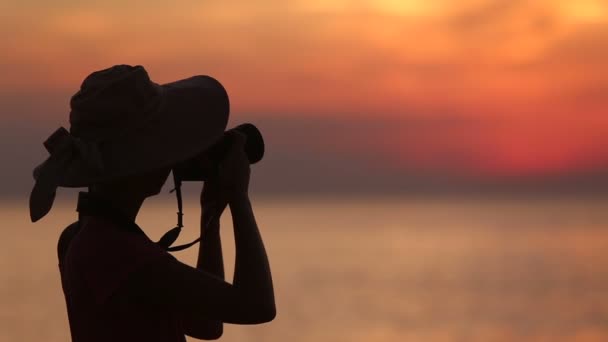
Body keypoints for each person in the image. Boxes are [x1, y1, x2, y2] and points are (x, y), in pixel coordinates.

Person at [29, 65, 276, 341]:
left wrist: (211, 216)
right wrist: (239, 198)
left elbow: (205, 324)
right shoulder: (115, 251)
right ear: (137, 162)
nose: (172, 157)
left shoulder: (83, 238)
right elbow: (257, 306)